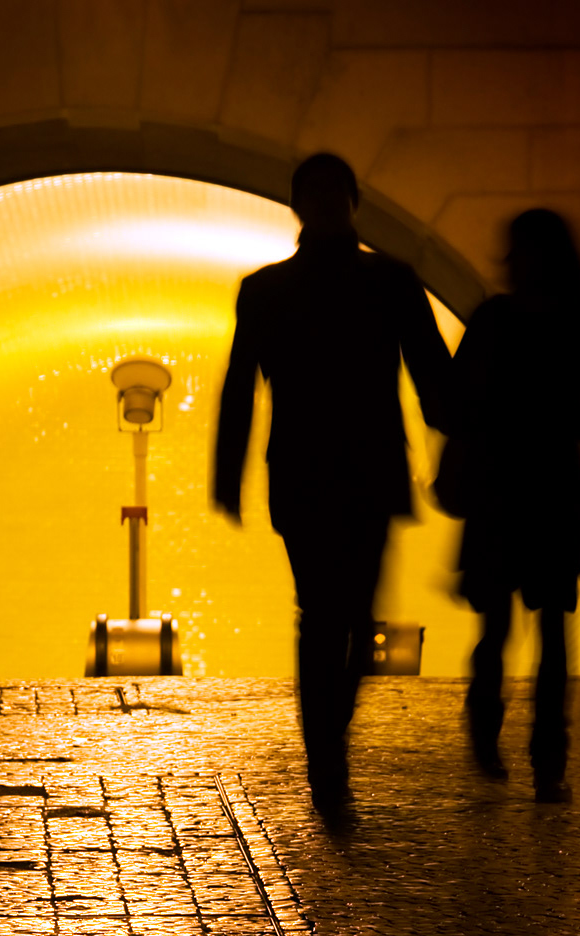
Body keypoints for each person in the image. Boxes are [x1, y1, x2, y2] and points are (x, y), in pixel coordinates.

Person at [213, 151, 453, 819]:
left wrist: (229, 471)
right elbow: (433, 379)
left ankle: (326, 754)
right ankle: (328, 760)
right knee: (340, 617)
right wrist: (459, 433)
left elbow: (241, 388)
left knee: (328, 618)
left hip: (304, 470)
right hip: (365, 469)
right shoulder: (391, 282)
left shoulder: (266, 290)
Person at [444, 209, 580, 802]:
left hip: (504, 492)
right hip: (549, 491)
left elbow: (456, 402)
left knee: (502, 625)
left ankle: (492, 730)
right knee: (546, 630)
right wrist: (568, 416)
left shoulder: (494, 321)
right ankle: (546, 754)